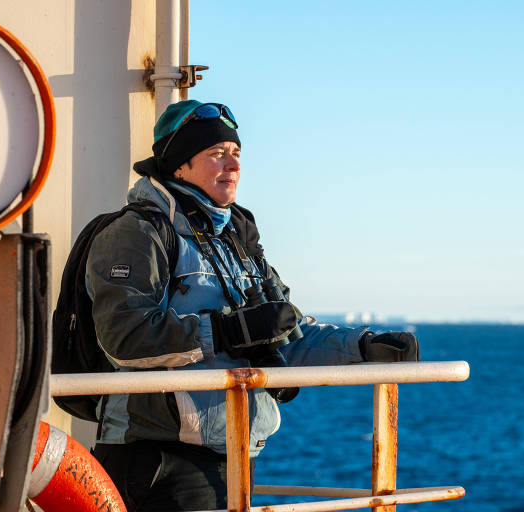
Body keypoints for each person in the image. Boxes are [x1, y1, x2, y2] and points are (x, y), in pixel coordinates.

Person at [86, 100, 420, 511]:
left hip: (233, 453)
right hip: (155, 458)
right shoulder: (137, 233)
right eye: (216, 153)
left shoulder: (238, 243)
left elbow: (284, 331)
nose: (233, 165)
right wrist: (229, 330)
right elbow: (125, 337)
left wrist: (365, 347)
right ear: (179, 167)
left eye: (236, 153)